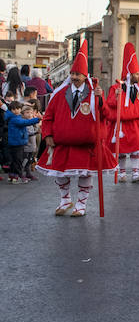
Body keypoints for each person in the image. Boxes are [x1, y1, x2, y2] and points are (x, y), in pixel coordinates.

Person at [36, 39, 107, 215]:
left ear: (85, 76)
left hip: (86, 145)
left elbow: (105, 115)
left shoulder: (94, 93)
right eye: (73, 73)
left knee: (84, 174)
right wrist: (47, 135)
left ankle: (81, 205)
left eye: (78, 74)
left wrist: (100, 100)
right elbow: (48, 117)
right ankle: (65, 200)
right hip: (62, 143)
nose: (75, 77)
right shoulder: (59, 94)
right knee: (60, 173)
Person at [105, 44, 139, 182]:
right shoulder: (115, 87)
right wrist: (117, 95)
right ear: (130, 75)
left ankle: (135, 173)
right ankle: (122, 173)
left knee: (136, 149)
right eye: (136, 74)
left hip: (136, 123)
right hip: (122, 124)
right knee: (122, 150)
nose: (138, 75)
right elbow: (110, 103)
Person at [2, 101, 32, 182]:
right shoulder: (15, 119)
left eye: (18, 109)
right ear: (11, 110)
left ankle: (12, 176)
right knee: (18, 160)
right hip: (17, 142)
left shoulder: (10, 117)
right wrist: (37, 119)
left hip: (14, 141)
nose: (16, 111)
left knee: (14, 160)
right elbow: (26, 122)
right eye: (14, 109)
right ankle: (19, 176)